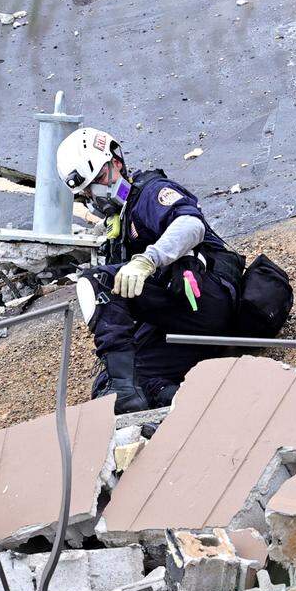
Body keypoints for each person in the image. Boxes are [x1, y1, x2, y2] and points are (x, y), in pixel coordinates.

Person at [56, 127, 245, 413]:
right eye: (88, 192)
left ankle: (129, 397)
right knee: (111, 384)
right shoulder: (118, 226)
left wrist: (147, 260)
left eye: (100, 180)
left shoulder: (150, 194)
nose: (98, 195)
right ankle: (180, 404)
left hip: (206, 297)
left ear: (116, 163)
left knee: (98, 282)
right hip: (180, 322)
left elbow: (192, 225)